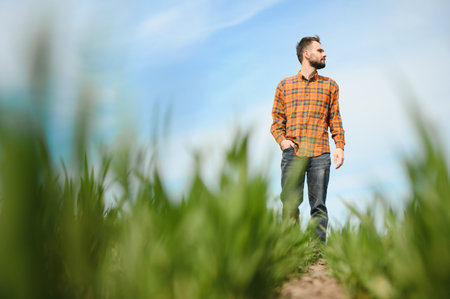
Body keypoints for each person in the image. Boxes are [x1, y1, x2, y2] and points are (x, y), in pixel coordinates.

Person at [270, 35, 345, 242]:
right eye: (320, 50)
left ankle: (318, 252)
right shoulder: (284, 85)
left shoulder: (331, 86)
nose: (324, 53)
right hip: (293, 152)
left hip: (320, 152)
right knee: (290, 203)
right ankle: (291, 248)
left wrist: (339, 145)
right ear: (306, 54)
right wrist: (283, 141)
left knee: (318, 205)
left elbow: (335, 118)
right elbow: (276, 120)